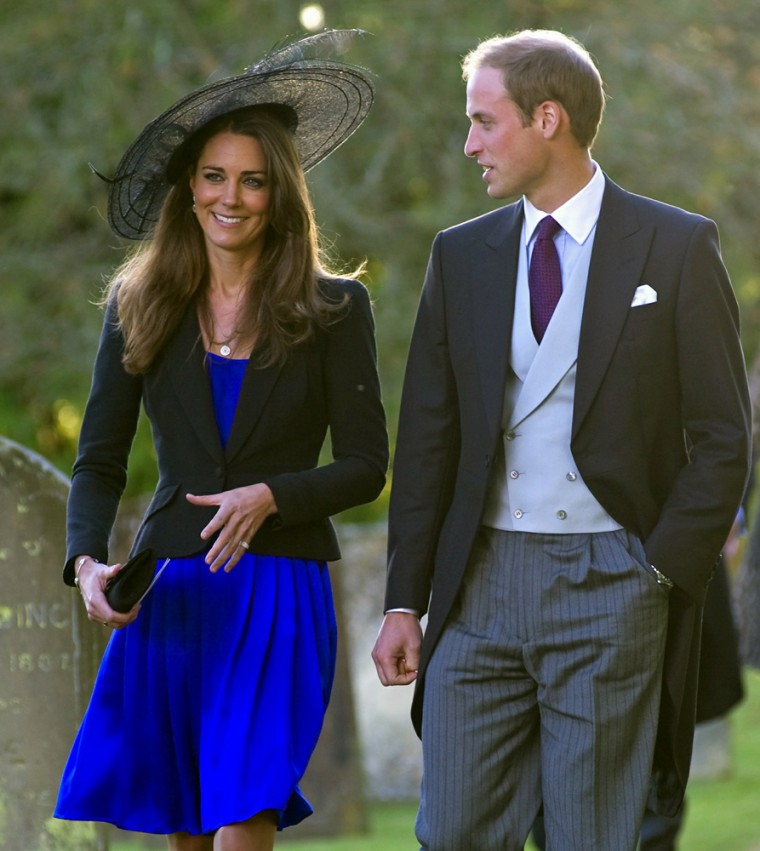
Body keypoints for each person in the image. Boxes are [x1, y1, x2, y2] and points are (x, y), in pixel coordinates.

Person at [371, 28, 750, 851]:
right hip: (478, 584)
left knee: (592, 837)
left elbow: (724, 435)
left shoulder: (676, 245)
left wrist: (655, 573)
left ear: (549, 118)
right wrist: (406, 601)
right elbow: (428, 442)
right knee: (455, 831)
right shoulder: (461, 255)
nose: (468, 143)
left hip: (612, 579)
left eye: (484, 122)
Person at [54, 30, 388, 851]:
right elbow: (98, 458)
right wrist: (87, 561)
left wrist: (274, 494)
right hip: (174, 592)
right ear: (188, 187)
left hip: (278, 591)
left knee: (244, 815)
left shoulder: (336, 308)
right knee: (190, 832)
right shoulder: (140, 306)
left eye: (253, 180)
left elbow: (367, 465)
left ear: (281, 195)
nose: (230, 197)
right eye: (213, 177)